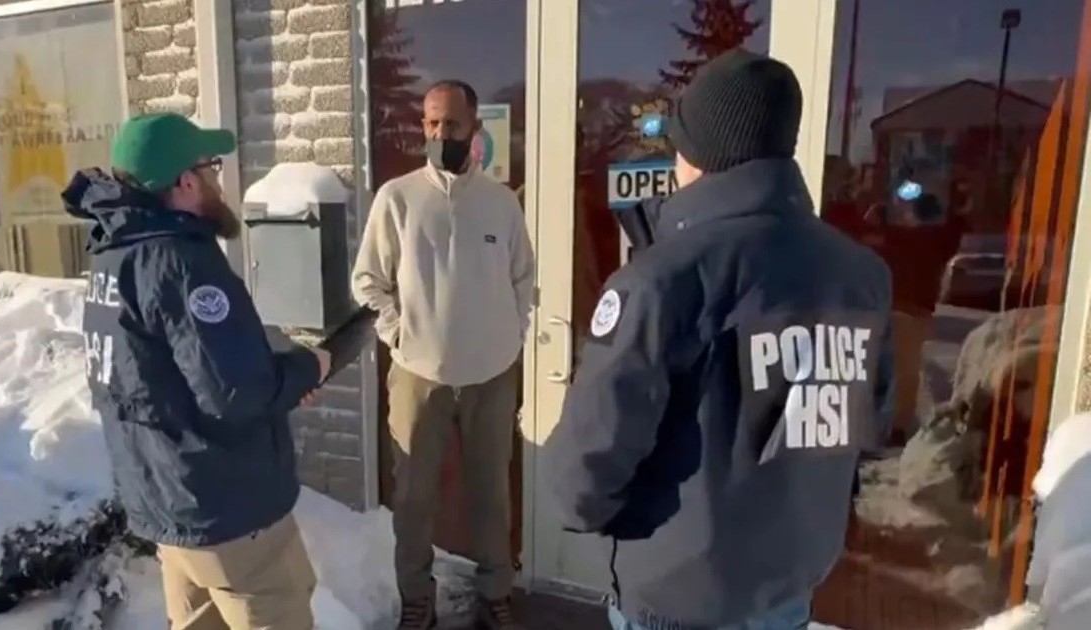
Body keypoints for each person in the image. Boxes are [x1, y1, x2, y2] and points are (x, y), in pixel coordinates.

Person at [545, 50, 895, 630]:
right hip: (787, 591)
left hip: (679, 597)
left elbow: (583, 474)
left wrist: (601, 512)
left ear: (697, 154)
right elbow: (862, 427)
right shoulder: (861, 274)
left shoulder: (664, 279)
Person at [65, 112, 330, 630]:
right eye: (211, 167)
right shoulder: (182, 263)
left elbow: (166, 376)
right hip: (228, 511)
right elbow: (236, 392)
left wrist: (274, 380)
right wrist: (308, 368)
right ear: (185, 182)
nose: (217, 179)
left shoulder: (114, 255)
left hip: (169, 501)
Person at [351, 79, 535, 630]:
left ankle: (495, 592)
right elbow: (367, 280)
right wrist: (399, 334)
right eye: (431, 123)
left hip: (491, 376)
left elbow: (524, 279)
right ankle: (417, 598)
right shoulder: (397, 198)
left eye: (451, 124)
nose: (440, 133)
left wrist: (511, 335)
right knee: (413, 498)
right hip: (417, 375)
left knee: (491, 496)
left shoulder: (500, 203)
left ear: (474, 128)